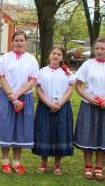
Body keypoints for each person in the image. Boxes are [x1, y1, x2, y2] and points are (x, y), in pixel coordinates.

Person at [0, 30, 39, 175]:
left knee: (20, 129)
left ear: (26, 42)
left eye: (21, 40)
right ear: (12, 42)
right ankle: (5, 162)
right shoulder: (5, 58)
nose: (19, 42)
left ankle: (16, 163)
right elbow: (1, 77)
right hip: (6, 97)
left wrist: (18, 94)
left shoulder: (31, 59)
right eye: (16, 40)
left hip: (24, 97)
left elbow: (33, 79)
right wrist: (11, 95)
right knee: (6, 127)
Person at [74, 38, 105, 181]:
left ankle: (99, 167)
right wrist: (89, 98)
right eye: (97, 48)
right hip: (89, 104)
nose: (99, 51)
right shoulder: (87, 64)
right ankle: (88, 167)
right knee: (88, 135)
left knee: (104, 135)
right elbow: (78, 85)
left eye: (102, 48)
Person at [32, 46, 76, 175]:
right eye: (54, 53)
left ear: (62, 58)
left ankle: (57, 165)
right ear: (49, 55)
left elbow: (69, 90)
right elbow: (39, 89)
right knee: (44, 133)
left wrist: (60, 104)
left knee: (60, 134)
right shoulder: (42, 72)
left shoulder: (67, 72)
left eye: (59, 54)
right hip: (45, 106)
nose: (56, 56)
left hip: (63, 107)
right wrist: (48, 103)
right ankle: (43, 163)